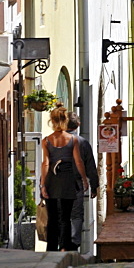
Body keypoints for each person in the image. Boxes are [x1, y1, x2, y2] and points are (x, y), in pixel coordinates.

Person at [40, 105, 89, 251]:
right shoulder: (72, 139)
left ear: (52, 121)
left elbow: (46, 163)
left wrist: (43, 185)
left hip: (52, 179)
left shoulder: (46, 141)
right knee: (66, 216)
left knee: (52, 216)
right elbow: (78, 161)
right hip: (68, 178)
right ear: (65, 120)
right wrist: (84, 179)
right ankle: (66, 246)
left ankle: (51, 248)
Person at [67, 112, 99, 251]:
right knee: (76, 214)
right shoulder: (83, 142)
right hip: (76, 183)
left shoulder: (52, 141)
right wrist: (94, 185)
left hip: (55, 184)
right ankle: (74, 242)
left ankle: (61, 242)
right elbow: (90, 166)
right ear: (78, 125)